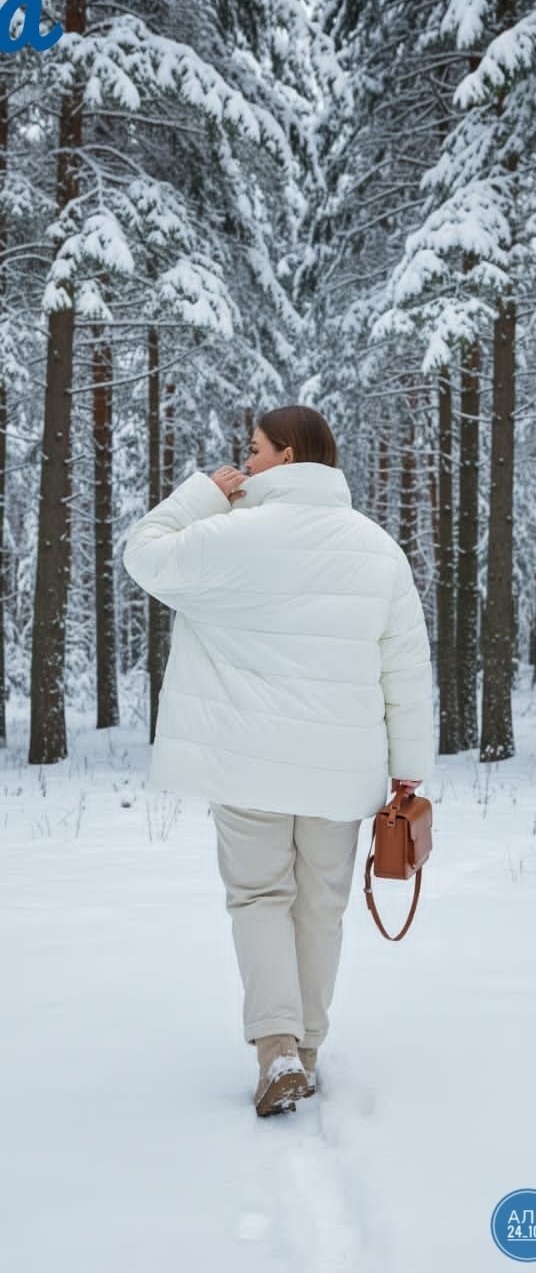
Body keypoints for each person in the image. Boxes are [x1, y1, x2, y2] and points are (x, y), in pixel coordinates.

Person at [123, 405, 434, 1116]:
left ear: (288, 456)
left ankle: (278, 1050)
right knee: (321, 908)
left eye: (256, 450)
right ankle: (308, 1050)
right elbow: (405, 668)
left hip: (247, 765)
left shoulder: (228, 534)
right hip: (340, 766)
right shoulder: (376, 548)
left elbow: (144, 551)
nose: (248, 461)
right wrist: (408, 765)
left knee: (261, 898)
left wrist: (205, 490)